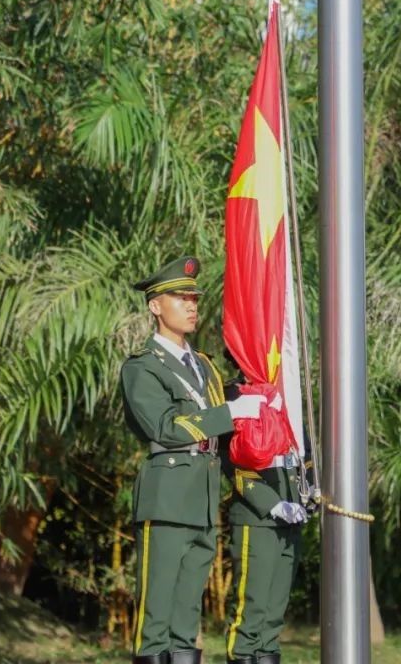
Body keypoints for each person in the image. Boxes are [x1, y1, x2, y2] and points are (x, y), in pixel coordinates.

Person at [121, 255, 270, 664]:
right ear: (155, 306)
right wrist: (228, 413)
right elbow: (164, 427)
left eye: (193, 298)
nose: (191, 306)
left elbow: (222, 430)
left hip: (202, 499)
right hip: (166, 497)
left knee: (187, 617)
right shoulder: (143, 367)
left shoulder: (203, 366)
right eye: (180, 298)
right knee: (156, 617)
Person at [221, 355, 308, 664]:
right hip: (256, 518)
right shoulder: (233, 395)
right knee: (251, 610)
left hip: (291, 514)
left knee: (273, 616)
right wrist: (272, 504)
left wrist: (307, 494)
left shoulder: (286, 396)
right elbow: (232, 464)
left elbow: (301, 455)